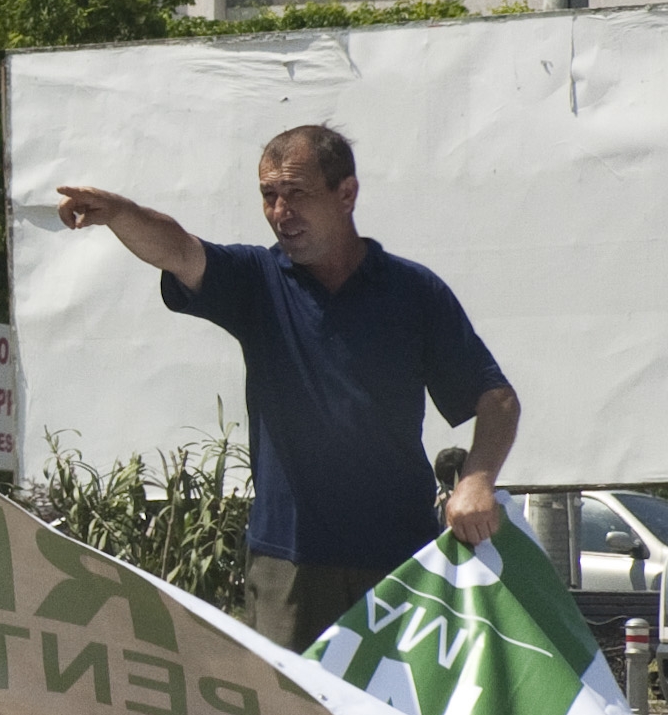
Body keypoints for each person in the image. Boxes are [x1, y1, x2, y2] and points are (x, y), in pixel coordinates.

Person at [56, 121, 522, 651]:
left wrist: (478, 480)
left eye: (296, 194)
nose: (281, 213)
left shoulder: (412, 292)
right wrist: (118, 212)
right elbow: (179, 251)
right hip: (289, 567)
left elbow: (497, 397)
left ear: (346, 193)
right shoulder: (257, 282)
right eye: (269, 196)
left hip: (401, 559)